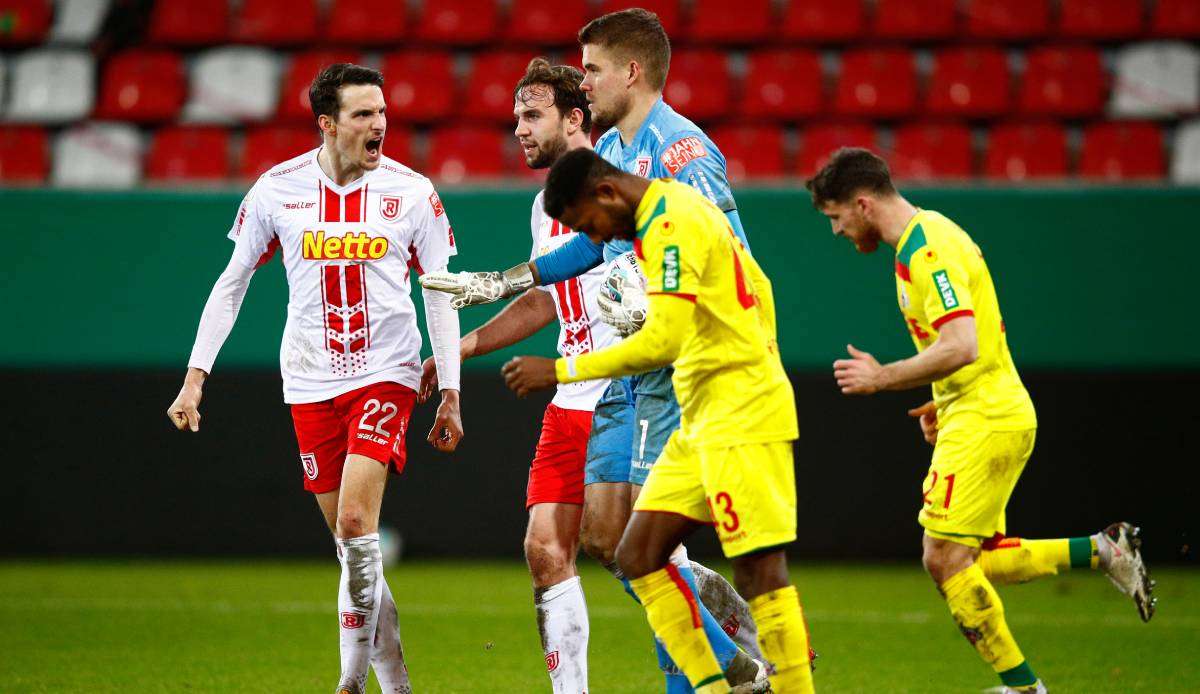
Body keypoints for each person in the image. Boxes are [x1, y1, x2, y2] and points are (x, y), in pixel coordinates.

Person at [420, 9, 770, 691]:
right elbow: (593, 247)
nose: (587, 82)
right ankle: (732, 657)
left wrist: (656, 300)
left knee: (647, 546)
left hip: (681, 366)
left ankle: (719, 672)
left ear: (630, 72)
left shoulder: (680, 152)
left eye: (594, 70)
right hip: (628, 379)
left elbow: (726, 254)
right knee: (611, 541)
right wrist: (503, 283)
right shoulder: (628, 157)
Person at [807, 147, 1155, 693]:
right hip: (976, 411)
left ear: (862, 203)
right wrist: (941, 403)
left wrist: (884, 377)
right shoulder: (918, 246)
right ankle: (1104, 550)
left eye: (835, 218)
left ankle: (1023, 688)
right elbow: (967, 346)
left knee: (942, 557)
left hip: (989, 415)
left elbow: (963, 344)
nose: (836, 231)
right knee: (972, 559)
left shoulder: (930, 252)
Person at [166, 63, 464, 694]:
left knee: (359, 525)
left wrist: (453, 390)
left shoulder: (413, 193)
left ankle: (348, 685)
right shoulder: (277, 189)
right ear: (328, 124)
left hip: (387, 374)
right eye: (362, 114)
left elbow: (439, 294)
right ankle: (397, 685)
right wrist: (196, 377)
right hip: (307, 381)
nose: (379, 124)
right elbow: (232, 281)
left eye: (382, 112)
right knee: (352, 549)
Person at [502, 148, 816, 694]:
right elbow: (756, 284)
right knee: (638, 556)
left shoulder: (673, 219)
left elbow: (663, 339)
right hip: (701, 414)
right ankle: (725, 685)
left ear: (606, 194)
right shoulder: (647, 225)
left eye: (588, 227)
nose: (594, 240)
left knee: (759, 569)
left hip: (743, 411)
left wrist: (559, 369)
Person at [418, 57, 614, 693]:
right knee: (544, 549)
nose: (520, 131)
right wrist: (462, 348)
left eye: (533, 116)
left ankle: (741, 654)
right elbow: (544, 297)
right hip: (571, 396)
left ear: (574, 116)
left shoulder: (624, 185)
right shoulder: (545, 204)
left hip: (627, 389)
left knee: (633, 552)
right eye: (516, 119)